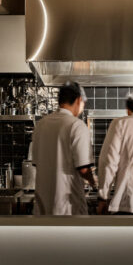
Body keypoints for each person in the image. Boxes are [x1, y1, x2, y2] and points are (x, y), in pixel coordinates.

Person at [32, 81, 97, 215]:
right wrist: (94, 182)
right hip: (68, 210)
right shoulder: (77, 126)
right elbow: (83, 168)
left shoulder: (41, 125)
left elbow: (37, 163)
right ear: (79, 100)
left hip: (43, 209)